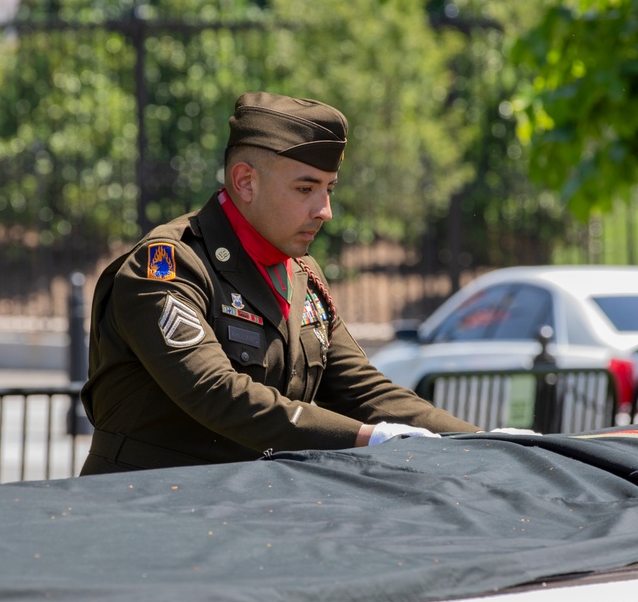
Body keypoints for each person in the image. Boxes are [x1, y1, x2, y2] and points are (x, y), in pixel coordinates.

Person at [79, 92, 481, 475]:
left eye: (329, 189)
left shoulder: (299, 272)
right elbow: (216, 392)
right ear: (245, 182)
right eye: (305, 188)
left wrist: (480, 441)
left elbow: (363, 391)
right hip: (140, 511)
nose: (325, 210)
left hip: (239, 512)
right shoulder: (168, 265)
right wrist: (367, 439)